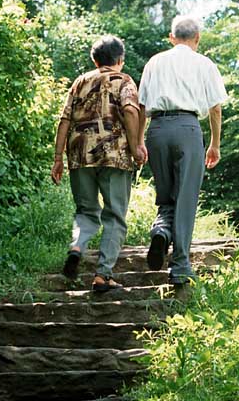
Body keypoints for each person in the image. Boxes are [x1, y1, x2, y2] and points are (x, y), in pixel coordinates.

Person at [50, 35, 147, 293]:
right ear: (120, 60)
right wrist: (137, 144)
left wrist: (58, 158)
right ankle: (103, 276)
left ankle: (77, 247)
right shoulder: (124, 80)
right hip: (115, 156)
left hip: (80, 156)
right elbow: (130, 109)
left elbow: (64, 120)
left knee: (85, 211)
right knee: (115, 215)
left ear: (94, 60)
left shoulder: (80, 82)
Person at [137, 15, 227, 285]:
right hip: (188, 128)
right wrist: (214, 143)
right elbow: (216, 108)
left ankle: (162, 231)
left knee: (166, 194)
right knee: (186, 198)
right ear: (197, 39)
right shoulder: (204, 63)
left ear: (171, 37)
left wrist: (139, 142)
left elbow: (141, 105)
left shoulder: (154, 61)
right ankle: (180, 266)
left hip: (157, 129)